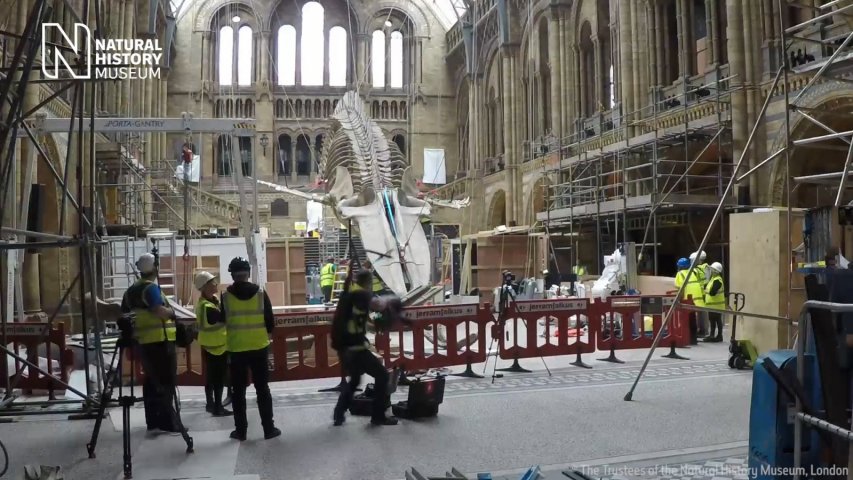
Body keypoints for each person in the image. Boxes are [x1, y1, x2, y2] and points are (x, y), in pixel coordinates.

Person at [120, 253, 182, 434]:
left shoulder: (130, 291)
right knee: (166, 383)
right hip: (160, 341)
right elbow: (158, 310)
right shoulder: (151, 289)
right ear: (154, 268)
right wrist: (173, 313)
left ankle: (153, 421)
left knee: (151, 381)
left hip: (143, 342)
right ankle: (168, 422)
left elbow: (124, 313)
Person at [220, 257, 281, 441]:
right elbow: (270, 323)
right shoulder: (261, 294)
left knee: (238, 392)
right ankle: (268, 429)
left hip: (236, 349)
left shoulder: (225, 297)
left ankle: (241, 431)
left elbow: (223, 320)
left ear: (232, 274)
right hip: (259, 347)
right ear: (247, 273)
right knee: (262, 389)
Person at [332, 269, 399, 427]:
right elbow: (380, 304)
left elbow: (355, 317)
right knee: (382, 375)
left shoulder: (349, 294)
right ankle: (378, 416)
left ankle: (338, 414)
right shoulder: (362, 295)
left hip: (345, 346)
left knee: (355, 380)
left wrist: (370, 325)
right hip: (355, 347)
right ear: (368, 283)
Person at [194, 271, 232, 417]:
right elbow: (224, 317)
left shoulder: (210, 302)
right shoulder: (207, 307)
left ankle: (211, 404)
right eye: (212, 282)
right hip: (217, 346)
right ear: (204, 287)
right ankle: (217, 407)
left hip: (211, 345)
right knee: (217, 379)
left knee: (211, 377)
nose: (215, 284)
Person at [675, 257, 704, 345]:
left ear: (680, 267)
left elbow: (681, 289)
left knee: (687, 320)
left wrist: (678, 300)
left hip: (688, 299)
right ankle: (694, 338)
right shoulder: (693, 272)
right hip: (697, 298)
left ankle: (688, 339)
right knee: (693, 319)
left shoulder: (680, 274)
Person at [703, 262, 726, 343]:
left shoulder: (717, 281)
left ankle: (719, 336)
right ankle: (712, 335)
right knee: (713, 320)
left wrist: (706, 290)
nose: (711, 271)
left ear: (716, 271)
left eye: (712, 270)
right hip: (712, 306)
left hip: (716, 306)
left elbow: (713, 292)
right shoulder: (713, 279)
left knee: (716, 320)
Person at [689, 251, 709, 337]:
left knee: (702, 313)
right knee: (702, 312)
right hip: (704, 293)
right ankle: (704, 330)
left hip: (700, 293)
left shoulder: (696, 270)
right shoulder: (706, 268)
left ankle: (703, 331)